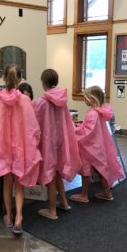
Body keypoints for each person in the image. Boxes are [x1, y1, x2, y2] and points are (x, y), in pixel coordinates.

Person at [0, 64, 42, 234]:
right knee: (19, 183)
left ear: (4, 78)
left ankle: (8, 215)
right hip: (20, 149)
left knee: (7, 183)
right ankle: (19, 217)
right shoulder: (26, 100)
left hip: (3, 149)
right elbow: (32, 127)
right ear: (19, 80)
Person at [33, 69, 81, 220]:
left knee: (49, 175)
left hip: (48, 142)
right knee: (57, 171)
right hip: (61, 140)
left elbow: (34, 124)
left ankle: (52, 210)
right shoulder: (63, 100)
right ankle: (64, 202)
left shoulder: (40, 102)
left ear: (43, 82)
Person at [70, 85, 124, 203]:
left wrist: (73, 128)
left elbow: (87, 131)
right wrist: (81, 126)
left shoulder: (92, 113)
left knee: (86, 171)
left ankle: (84, 195)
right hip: (98, 145)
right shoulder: (99, 112)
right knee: (101, 170)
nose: (84, 100)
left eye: (85, 98)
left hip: (90, 147)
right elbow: (91, 128)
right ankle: (107, 193)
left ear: (92, 98)